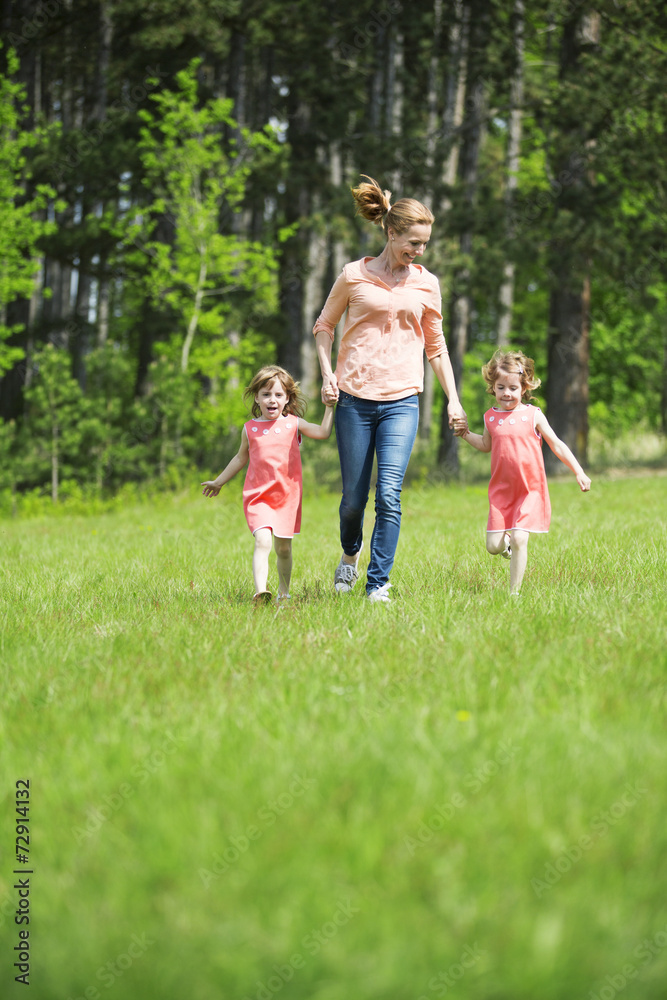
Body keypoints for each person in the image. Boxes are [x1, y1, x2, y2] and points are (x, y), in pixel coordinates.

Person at [313, 174, 467, 603]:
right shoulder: (352, 275)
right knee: (352, 500)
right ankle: (349, 554)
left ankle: (377, 583)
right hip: (354, 400)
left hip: (402, 399)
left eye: (424, 245)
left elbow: (436, 348)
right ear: (391, 231)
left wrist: (454, 399)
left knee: (389, 494)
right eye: (413, 242)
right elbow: (324, 327)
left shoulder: (426, 283)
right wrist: (328, 373)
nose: (418, 252)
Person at [459, 349, 591, 594]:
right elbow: (486, 446)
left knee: (521, 537)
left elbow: (557, 444)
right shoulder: (490, 418)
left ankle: (514, 594)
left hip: (529, 490)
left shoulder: (533, 415)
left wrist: (578, 471)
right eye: (501, 387)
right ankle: (506, 543)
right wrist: (466, 434)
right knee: (493, 546)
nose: (506, 393)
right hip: (501, 491)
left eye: (512, 388)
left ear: (524, 388)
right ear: (493, 387)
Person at [201, 365, 334, 605]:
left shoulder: (294, 424)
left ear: (287, 399)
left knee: (283, 549)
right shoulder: (249, 429)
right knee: (262, 541)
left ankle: (284, 592)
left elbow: (324, 432)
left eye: (278, 395)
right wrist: (219, 482)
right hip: (258, 497)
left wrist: (329, 406)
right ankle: (261, 592)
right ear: (257, 398)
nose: (272, 400)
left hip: (286, 497)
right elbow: (240, 458)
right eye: (266, 394)